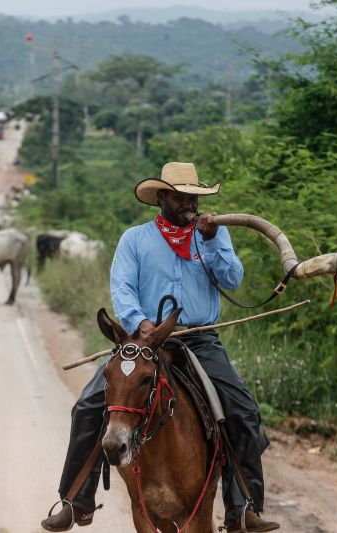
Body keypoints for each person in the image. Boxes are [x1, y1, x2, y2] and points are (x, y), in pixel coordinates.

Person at [42, 162, 280, 532]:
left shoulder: (212, 234)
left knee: (242, 409)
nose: (189, 202)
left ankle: (243, 507)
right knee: (88, 406)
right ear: (162, 198)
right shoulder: (134, 239)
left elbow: (233, 278)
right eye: (181, 196)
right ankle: (76, 501)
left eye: (193, 196)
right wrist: (142, 324)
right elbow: (122, 290)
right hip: (143, 342)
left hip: (198, 338)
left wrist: (214, 239)